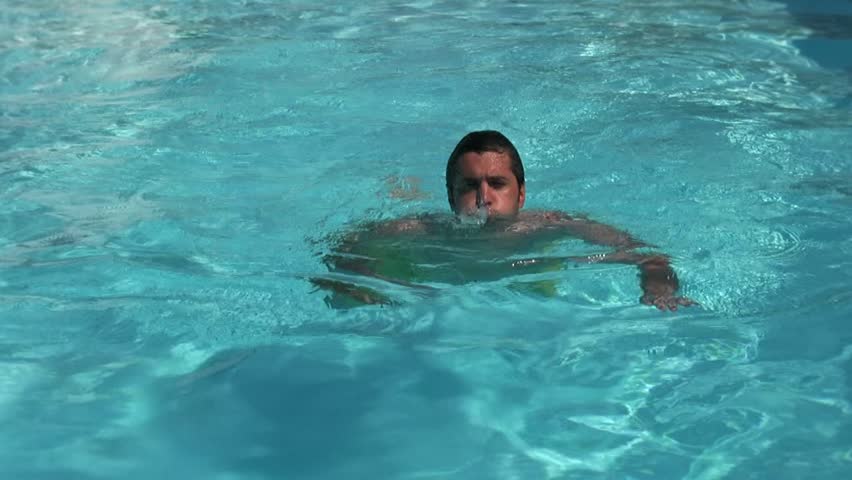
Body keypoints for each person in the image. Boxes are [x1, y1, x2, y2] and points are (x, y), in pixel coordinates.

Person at [314, 130, 695, 311]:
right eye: (469, 186)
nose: (484, 198)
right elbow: (340, 249)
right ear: (450, 197)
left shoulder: (550, 225)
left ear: (521, 194)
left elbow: (647, 254)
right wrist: (367, 283)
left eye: (497, 184)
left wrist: (659, 288)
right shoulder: (419, 231)